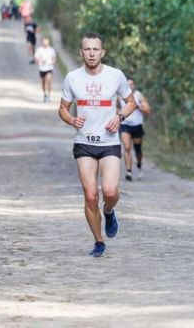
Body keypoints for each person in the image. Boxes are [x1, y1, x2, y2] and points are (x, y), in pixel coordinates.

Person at [58, 31, 137, 257]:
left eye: (95, 49)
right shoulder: (73, 78)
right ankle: (99, 241)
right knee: (91, 195)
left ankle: (109, 211)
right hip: (84, 142)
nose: (91, 53)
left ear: (102, 52)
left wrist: (119, 117)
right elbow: (62, 109)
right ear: (81, 53)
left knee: (110, 192)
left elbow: (131, 102)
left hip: (109, 142)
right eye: (87, 49)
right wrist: (72, 119)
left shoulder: (115, 75)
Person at [119, 78, 151, 181]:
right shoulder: (120, 95)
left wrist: (138, 107)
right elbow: (113, 107)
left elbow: (148, 110)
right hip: (125, 125)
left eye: (132, 84)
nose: (130, 86)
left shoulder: (139, 96)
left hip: (137, 125)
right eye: (128, 84)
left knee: (138, 149)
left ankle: (139, 165)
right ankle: (129, 171)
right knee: (127, 147)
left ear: (134, 86)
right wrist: (120, 114)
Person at [34, 37, 57, 102]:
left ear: (48, 42)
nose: (45, 43)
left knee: (48, 81)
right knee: (43, 82)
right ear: (42, 42)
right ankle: (45, 94)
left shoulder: (51, 50)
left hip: (49, 68)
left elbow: (54, 59)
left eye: (46, 42)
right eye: (44, 42)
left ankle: (49, 95)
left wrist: (52, 62)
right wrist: (39, 61)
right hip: (42, 68)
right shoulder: (39, 50)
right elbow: (36, 59)